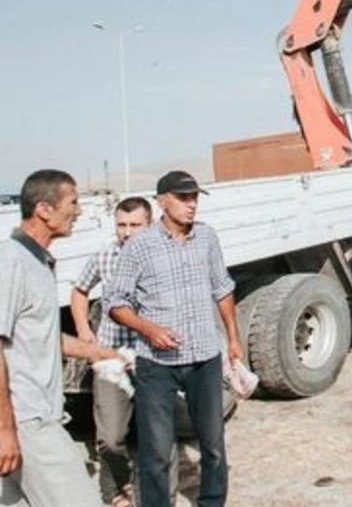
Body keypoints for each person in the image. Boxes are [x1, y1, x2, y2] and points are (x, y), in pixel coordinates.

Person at [106, 171, 241, 507]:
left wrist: (233, 339)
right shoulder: (139, 246)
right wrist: (149, 329)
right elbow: (115, 304)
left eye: (194, 197)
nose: (191, 204)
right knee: (157, 451)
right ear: (162, 201)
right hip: (157, 364)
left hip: (204, 358)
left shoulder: (207, 238)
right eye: (183, 198)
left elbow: (222, 289)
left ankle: (212, 502)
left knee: (212, 444)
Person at [1, 170, 119, 507]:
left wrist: (100, 352)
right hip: (28, 421)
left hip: (32, 418)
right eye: (73, 202)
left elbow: (42, 338)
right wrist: (5, 429)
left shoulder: (37, 262)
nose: (79, 211)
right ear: (43, 209)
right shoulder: (10, 261)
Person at [70, 196, 152, 507]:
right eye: (122, 225)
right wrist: (84, 332)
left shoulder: (161, 257)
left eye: (136, 225)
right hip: (111, 358)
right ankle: (117, 490)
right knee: (109, 438)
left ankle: (154, 497)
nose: (128, 232)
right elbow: (80, 290)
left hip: (150, 357)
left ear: (150, 224)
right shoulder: (105, 257)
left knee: (156, 437)